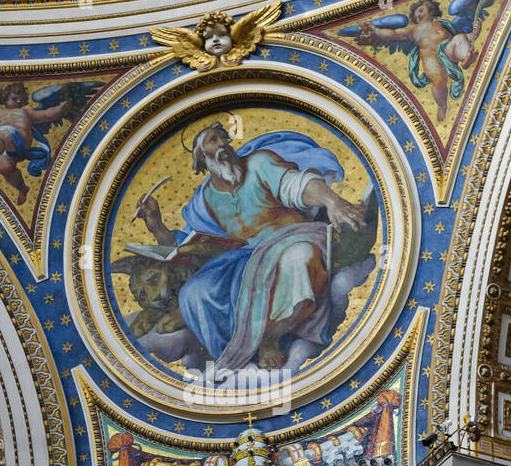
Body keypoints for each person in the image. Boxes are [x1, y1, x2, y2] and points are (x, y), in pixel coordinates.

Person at [133, 122, 362, 371]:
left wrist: (332, 201)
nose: (223, 144)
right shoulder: (204, 200)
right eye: (213, 140)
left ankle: (272, 335)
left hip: (293, 237)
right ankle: (234, 356)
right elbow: (185, 244)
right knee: (194, 292)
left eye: (224, 138)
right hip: (244, 257)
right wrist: (156, 225)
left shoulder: (259, 164)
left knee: (299, 257)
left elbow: (297, 186)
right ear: (200, 156)